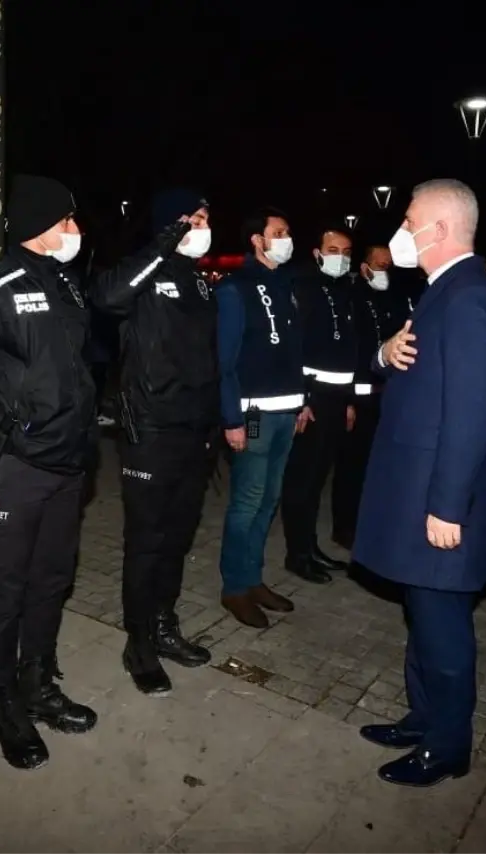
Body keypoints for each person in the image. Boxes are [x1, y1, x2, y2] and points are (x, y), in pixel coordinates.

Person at [353, 179, 486, 788]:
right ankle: (423, 719)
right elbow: (408, 368)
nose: (402, 231)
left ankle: (447, 747)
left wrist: (447, 505)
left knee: (444, 630)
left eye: (410, 220)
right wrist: (383, 354)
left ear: (439, 230)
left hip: (440, 500)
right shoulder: (441, 293)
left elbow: (472, 412)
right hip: (415, 488)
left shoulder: (471, 298)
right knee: (421, 616)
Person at [0, 174, 98, 772]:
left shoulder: (66, 282)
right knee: (6, 591)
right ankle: (4, 702)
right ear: (42, 223)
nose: (76, 229)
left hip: (68, 466)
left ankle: (38, 682)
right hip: (12, 470)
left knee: (51, 582)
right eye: (67, 220)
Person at [90, 188, 217, 696]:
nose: (204, 226)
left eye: (208, 218)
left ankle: (164, 625)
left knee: (177, 538)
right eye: (195, 218)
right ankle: (137, 642)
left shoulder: (201, 284)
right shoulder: (145, 272)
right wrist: (164, 241)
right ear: (171, 224)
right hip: (151, 432)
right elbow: (106, 296)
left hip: (195, 432)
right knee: (146, 541)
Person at [215, 207, 303, 627]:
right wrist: (231, 417)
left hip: (287, 411)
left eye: (287, 231)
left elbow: (292, 352)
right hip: (253, 415)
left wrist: (302, 401)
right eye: (278, 232)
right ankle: (234, 587)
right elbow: (225, 360)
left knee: (269, 500)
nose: (287, 237)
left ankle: (253, 579)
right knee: (247, 502)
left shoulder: (285, 284)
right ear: (257, 239)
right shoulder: (236, 288)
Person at [280, 228, 359, 583]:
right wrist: (302, 400)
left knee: (316, 481)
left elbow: (348, 350)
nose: (340, 256)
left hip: (336, 400)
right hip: (311, 400)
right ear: (317, 252)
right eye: (332, 249)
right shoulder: (303, 286)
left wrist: (349, 401)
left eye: (345, 250)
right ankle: (297, 554)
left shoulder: (345, 290)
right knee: (302, 480)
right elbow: (292, 347)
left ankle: (310, 547)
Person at [332, 244, 411, 550]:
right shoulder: (353, 298)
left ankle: (374, 523)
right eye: (378, 266)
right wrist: (350, 399)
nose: (383, 271)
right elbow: (351, 350)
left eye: (387, 266)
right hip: (360, 395)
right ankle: (345, 526)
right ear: (364, 268)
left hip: (388, 396)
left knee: (381, 467)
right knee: (352, 465)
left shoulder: (393, 298)